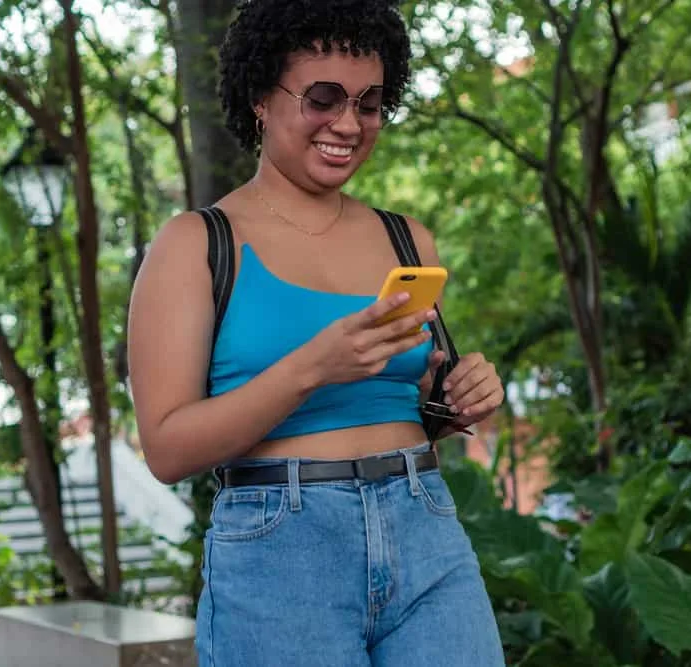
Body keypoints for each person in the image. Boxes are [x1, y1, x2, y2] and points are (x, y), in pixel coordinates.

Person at [127, 0, 506, 664]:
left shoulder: (405, 237)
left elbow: (416, 403)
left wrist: (456, 399)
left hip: (424, 528)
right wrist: (313, 366)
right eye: (323, 97)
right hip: (280, 549)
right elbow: (165, 447)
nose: (348, 123)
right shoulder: (196, 244)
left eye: (369, 103)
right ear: (260, 98)